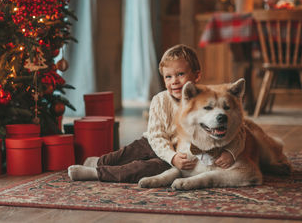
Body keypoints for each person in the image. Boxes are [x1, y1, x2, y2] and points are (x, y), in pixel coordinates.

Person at [68, 44, 244, 183]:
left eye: (180, 74)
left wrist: (231, 153)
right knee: (126, 153)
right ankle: (100, 162)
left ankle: (96, 173)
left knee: (141, 168)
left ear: (196, 75)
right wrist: (170, 155)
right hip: (153, 142)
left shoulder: (204, 99)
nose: (174, 81)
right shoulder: (160, 100)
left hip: (179, 152)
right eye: (168, 77)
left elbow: (239, 132)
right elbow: (156, 136)